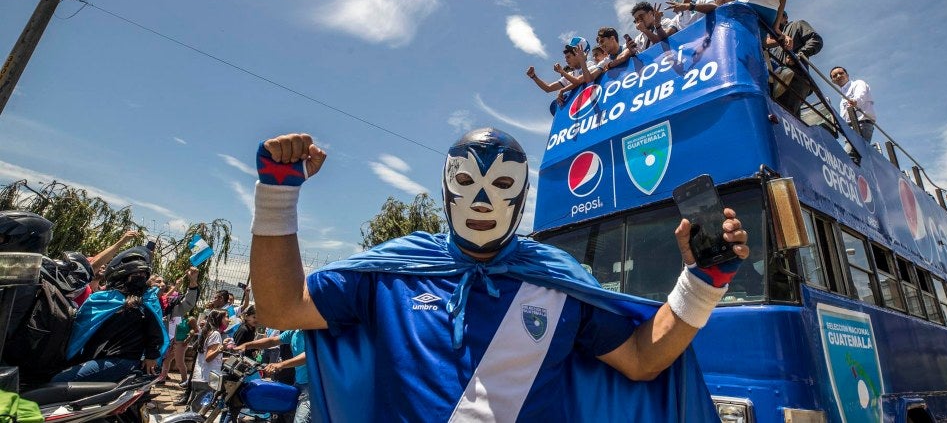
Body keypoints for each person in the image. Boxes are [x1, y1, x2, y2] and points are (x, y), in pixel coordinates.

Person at [249, 129, 748, 420]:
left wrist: (703, 282)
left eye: (501, 183)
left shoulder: (557, 278)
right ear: (445, 189)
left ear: (522, 193)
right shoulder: (393, 272)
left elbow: (642, 360)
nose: (483, 200)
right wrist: (276, 193)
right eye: (467, 181)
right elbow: (280, 306)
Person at [53, 246, 168, 382]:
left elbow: (155, 332)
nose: (140, 278)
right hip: (98, 358)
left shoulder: (145, 302)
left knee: (58, 381)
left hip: (120, 361)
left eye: (143, 275)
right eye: (136, 274)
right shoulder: (103, 298)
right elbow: (80, 328)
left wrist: (151, 356)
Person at [236, 329, 310, 423]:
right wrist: (247, 345)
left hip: (312, 386)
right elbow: (272, 341)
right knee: (285, 417)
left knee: (300, 421)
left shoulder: (314, 333)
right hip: (299, 381)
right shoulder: (294, 331)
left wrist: (281, 365)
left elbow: (309, 355)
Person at [766, 12, 824, 114]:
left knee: (787, 114)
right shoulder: (771, 42)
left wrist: (797, 56)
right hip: (776, 84)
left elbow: (815, 40)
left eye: (777, 16)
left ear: (785, 18)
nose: (774, 20)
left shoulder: (796, 25)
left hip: (795, 80)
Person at [829, 66, 877, 144]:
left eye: (841, 73)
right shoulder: (842, 100)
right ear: (833, 81)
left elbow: (861, 95)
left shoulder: (858, 83)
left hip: (861, 125)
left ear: (847, 75)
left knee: (851, 155)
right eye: (835, 76)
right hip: (849, 130)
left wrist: (855, 101)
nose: (838, 76)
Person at [189, 309, 227, 402]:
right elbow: (208, 358)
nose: (229, 320)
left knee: (192, 411)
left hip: (199, 377)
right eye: (226, 317)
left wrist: (223, 359)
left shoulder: (206, 332)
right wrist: (221, 348)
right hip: (207, 379)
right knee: (197, 412)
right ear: (219, 319)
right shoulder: (215, 334)